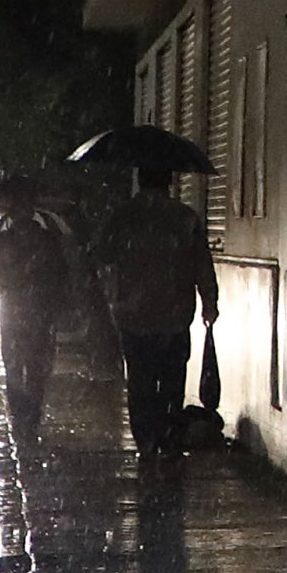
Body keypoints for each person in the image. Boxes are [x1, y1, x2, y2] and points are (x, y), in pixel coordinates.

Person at [93, 166, 219, 459]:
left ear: (140, 180)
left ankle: (146, 441)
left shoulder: (122, 217)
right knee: (173, 380)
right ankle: (168, 436)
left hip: (133, 316)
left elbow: (101, 255)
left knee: (140, 381)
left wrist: (114, 292)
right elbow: (202, 264)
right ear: (169, 181)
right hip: (174, 317)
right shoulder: (185, 218)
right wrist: (209, 302)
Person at [0, 177, 72, 439]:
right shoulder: (47, 239)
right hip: (39, 313)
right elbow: (62, 276)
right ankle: (29, 415)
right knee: (36, 366)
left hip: (14, 311)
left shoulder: (1, 240)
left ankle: (22, 415)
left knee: (15, 366)